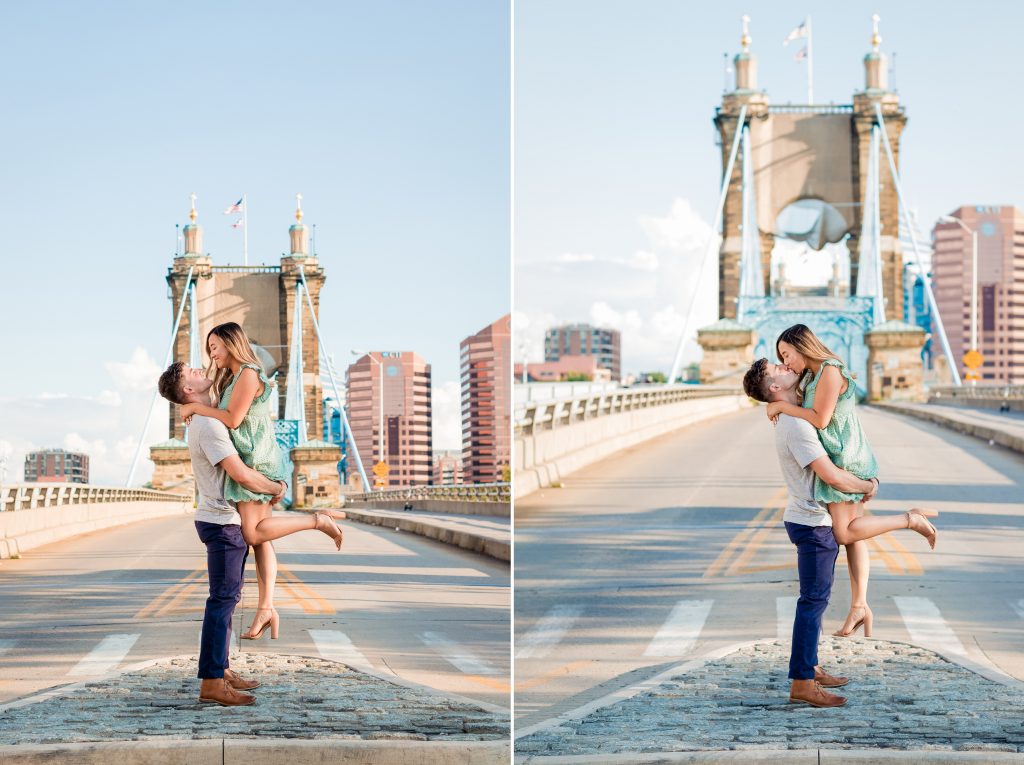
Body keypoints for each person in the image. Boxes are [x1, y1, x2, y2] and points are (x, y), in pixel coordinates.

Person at [170, 323, 344, 642]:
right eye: (209, 348)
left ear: (231, 343)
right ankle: (266, 608)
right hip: (252, 456)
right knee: (262, 540)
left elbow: (234, 420)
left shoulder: (249, 372)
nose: (211, 353)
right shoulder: (232, 379)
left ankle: (317, 521)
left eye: (215, 346)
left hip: (256, 460)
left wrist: (195, 406)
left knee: (251, 532)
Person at [764, 324, 937, 637]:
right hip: (841, 454)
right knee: (855, 537)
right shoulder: (813, 375)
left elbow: (820, 419)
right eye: (782, 358)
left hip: (844, 459)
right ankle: (859, 606)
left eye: (787, 354)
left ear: (803, 346)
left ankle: (909, 520)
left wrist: (780, 405)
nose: (786, 362)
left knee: (844, 534)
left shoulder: (830, 370)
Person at [742, 358, 880, 707]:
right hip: (812, 525)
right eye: (778, 367)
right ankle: (802, 682)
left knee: (813, 601)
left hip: (810, 521)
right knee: (812, 603)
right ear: (774, 387)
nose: (785, 366)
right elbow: (831, 476)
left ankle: (811, 666)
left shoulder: (792, 413)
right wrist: (866, 484)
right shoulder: (796, 425)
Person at [157, 362, 287, 706]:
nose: (203, 368)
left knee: (226, 600)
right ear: (187, 390)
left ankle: (221, 668)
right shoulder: (209, 426)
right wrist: (276, 487)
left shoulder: (206, 415)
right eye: (193, 372)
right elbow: (241, 474)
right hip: (222, 524)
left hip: (224, 521)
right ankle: (212, 682)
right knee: (222, 602)